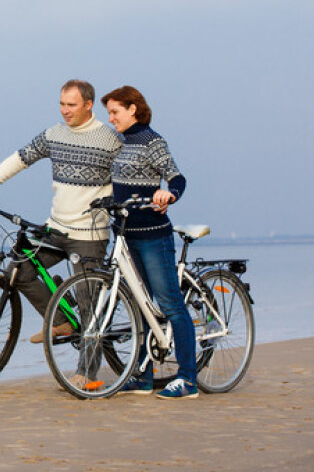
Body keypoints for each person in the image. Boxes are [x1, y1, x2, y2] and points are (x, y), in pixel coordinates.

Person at [0, 80, 122, 353]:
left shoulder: (109, 139)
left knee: (87, 306)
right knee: (19, 271)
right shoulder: (54, 134)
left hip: (89, 236)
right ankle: (62, 322)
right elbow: (21, 158)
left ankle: (86, 372)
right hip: (55, 229)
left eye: (71, 105)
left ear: (89, 105)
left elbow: (131, 174)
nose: (65, 110)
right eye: (62, 104)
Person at [101, 85, 198, 399]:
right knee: (139, 305)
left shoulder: (152, 141)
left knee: (170, 304)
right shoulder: (120, 141)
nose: (111, 118)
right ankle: (143, 377)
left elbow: (177, 177)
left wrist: (169, 195)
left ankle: (188, 379)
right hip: (125, 235)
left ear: (133, 108)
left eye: (115, 111)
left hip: (153, 236)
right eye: (108, 113)